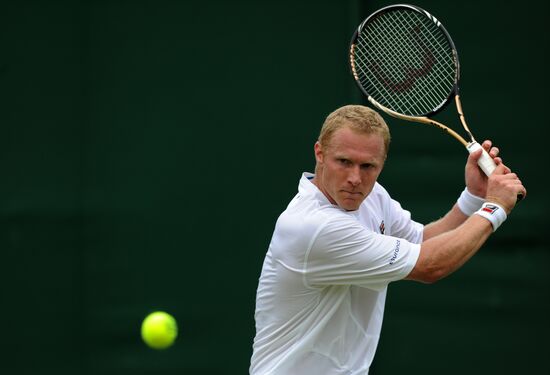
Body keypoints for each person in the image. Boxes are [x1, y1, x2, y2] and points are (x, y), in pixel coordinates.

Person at [249, 105, 526, 375]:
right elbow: (429, 265)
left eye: (368, 166)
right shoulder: (313, 227)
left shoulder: (373, 196)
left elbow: (422, 242)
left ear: (382, 163)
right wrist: (494, 207)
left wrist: (474, 197)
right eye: (344, 162)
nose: (355, 178)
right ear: (319, 153)